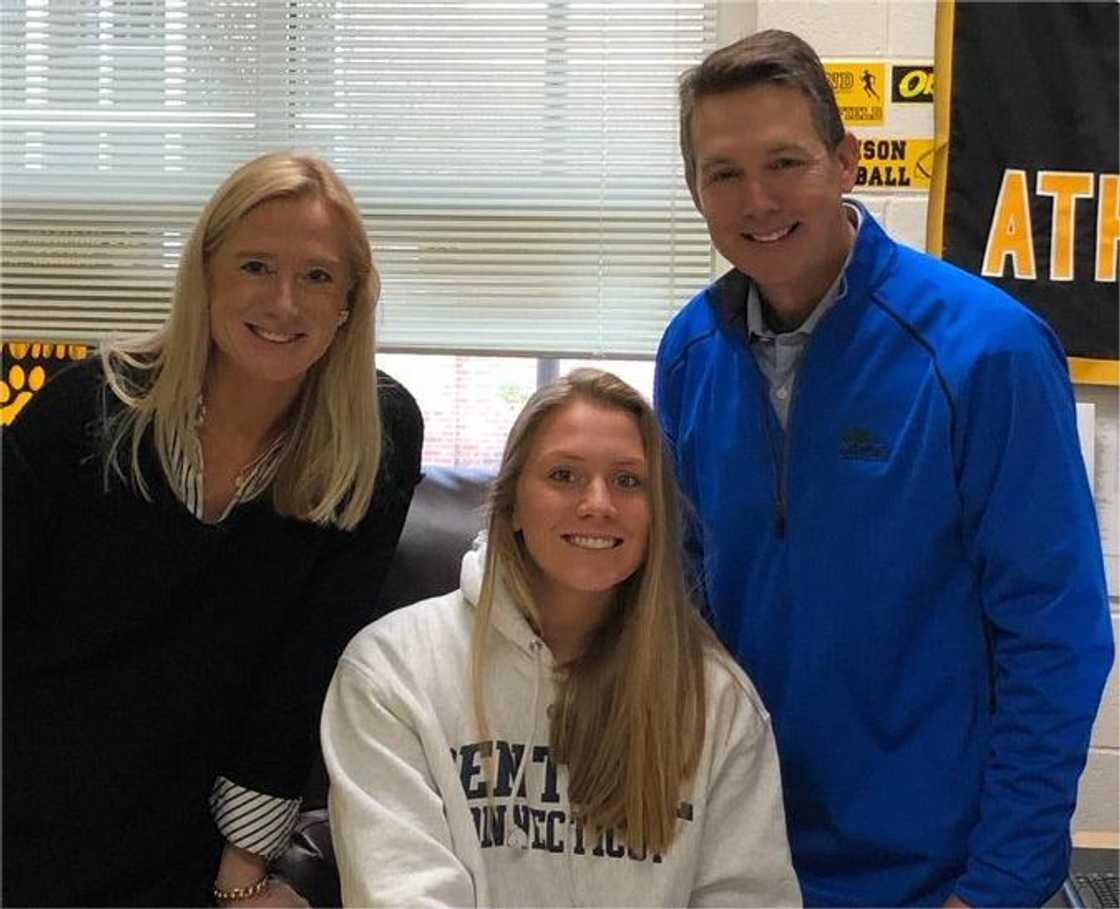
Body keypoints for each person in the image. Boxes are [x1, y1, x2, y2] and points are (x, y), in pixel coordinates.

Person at [654, 29, 1114, 908]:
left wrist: (999, 885)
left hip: (944, 874)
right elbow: (690, 608)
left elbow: (1055, 640)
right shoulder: (689, 352)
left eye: (785, 162)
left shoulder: (986, 352)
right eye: (724, 173)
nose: (757, 199)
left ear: (846, 161)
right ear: (695, 191)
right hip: (752, 861)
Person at [2, 151, 423, 905]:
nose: (285, 301)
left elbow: (305, 666)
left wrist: (242, 873)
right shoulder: (82, 412)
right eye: (256, 265)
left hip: (186, 837)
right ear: (206, 275)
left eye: (318, 276)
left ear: (351, 301)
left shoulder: (376, 437)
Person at [322, 368, 802, 907]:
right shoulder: (391, 671)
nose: (598, 503)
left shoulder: (715, 701)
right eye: (564, 475)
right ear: (512, 506)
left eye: (627, 481)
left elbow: (748, 896)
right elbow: (400, 892)